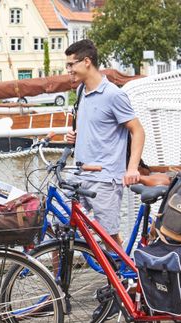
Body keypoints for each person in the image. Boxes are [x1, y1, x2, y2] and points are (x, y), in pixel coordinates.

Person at [64, 39, 145, 247]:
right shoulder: (82, 91)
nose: (68, 70)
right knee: (61, 225)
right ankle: (57, 279)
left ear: (87, 62)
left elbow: (138, 131)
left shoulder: (113, 95)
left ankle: (122, 277)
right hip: (79, 174)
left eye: (71, 64)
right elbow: (96, 126)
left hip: (105, 178)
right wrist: (76, 136)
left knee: (109, 237)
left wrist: (132, 168)